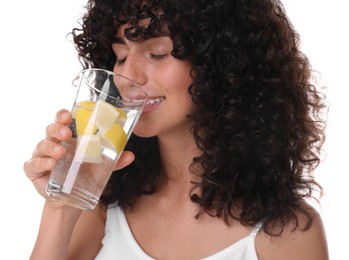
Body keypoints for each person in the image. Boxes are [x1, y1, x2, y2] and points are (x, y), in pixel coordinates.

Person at [24, 0, 329, 259]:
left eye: (157, 53)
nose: (127, 76)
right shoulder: (103, 204)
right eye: (121, 56)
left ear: (221, 65)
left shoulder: (285, 233)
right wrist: (61, 206)